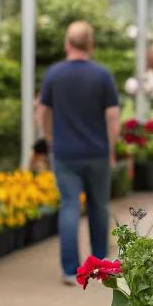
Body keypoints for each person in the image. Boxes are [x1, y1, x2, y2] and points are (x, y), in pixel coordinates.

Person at [38, 20, 120, 286]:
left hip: (65, 153)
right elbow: (112, 116)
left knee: (70, 207)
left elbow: (42, 110)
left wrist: (49, 137)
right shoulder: (102, 75)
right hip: (97, 152)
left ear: (67, 44)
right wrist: (111, 148)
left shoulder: (54, 74)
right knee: (99, 206)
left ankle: (70, 270)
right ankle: (100, 265)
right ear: (90, 44)